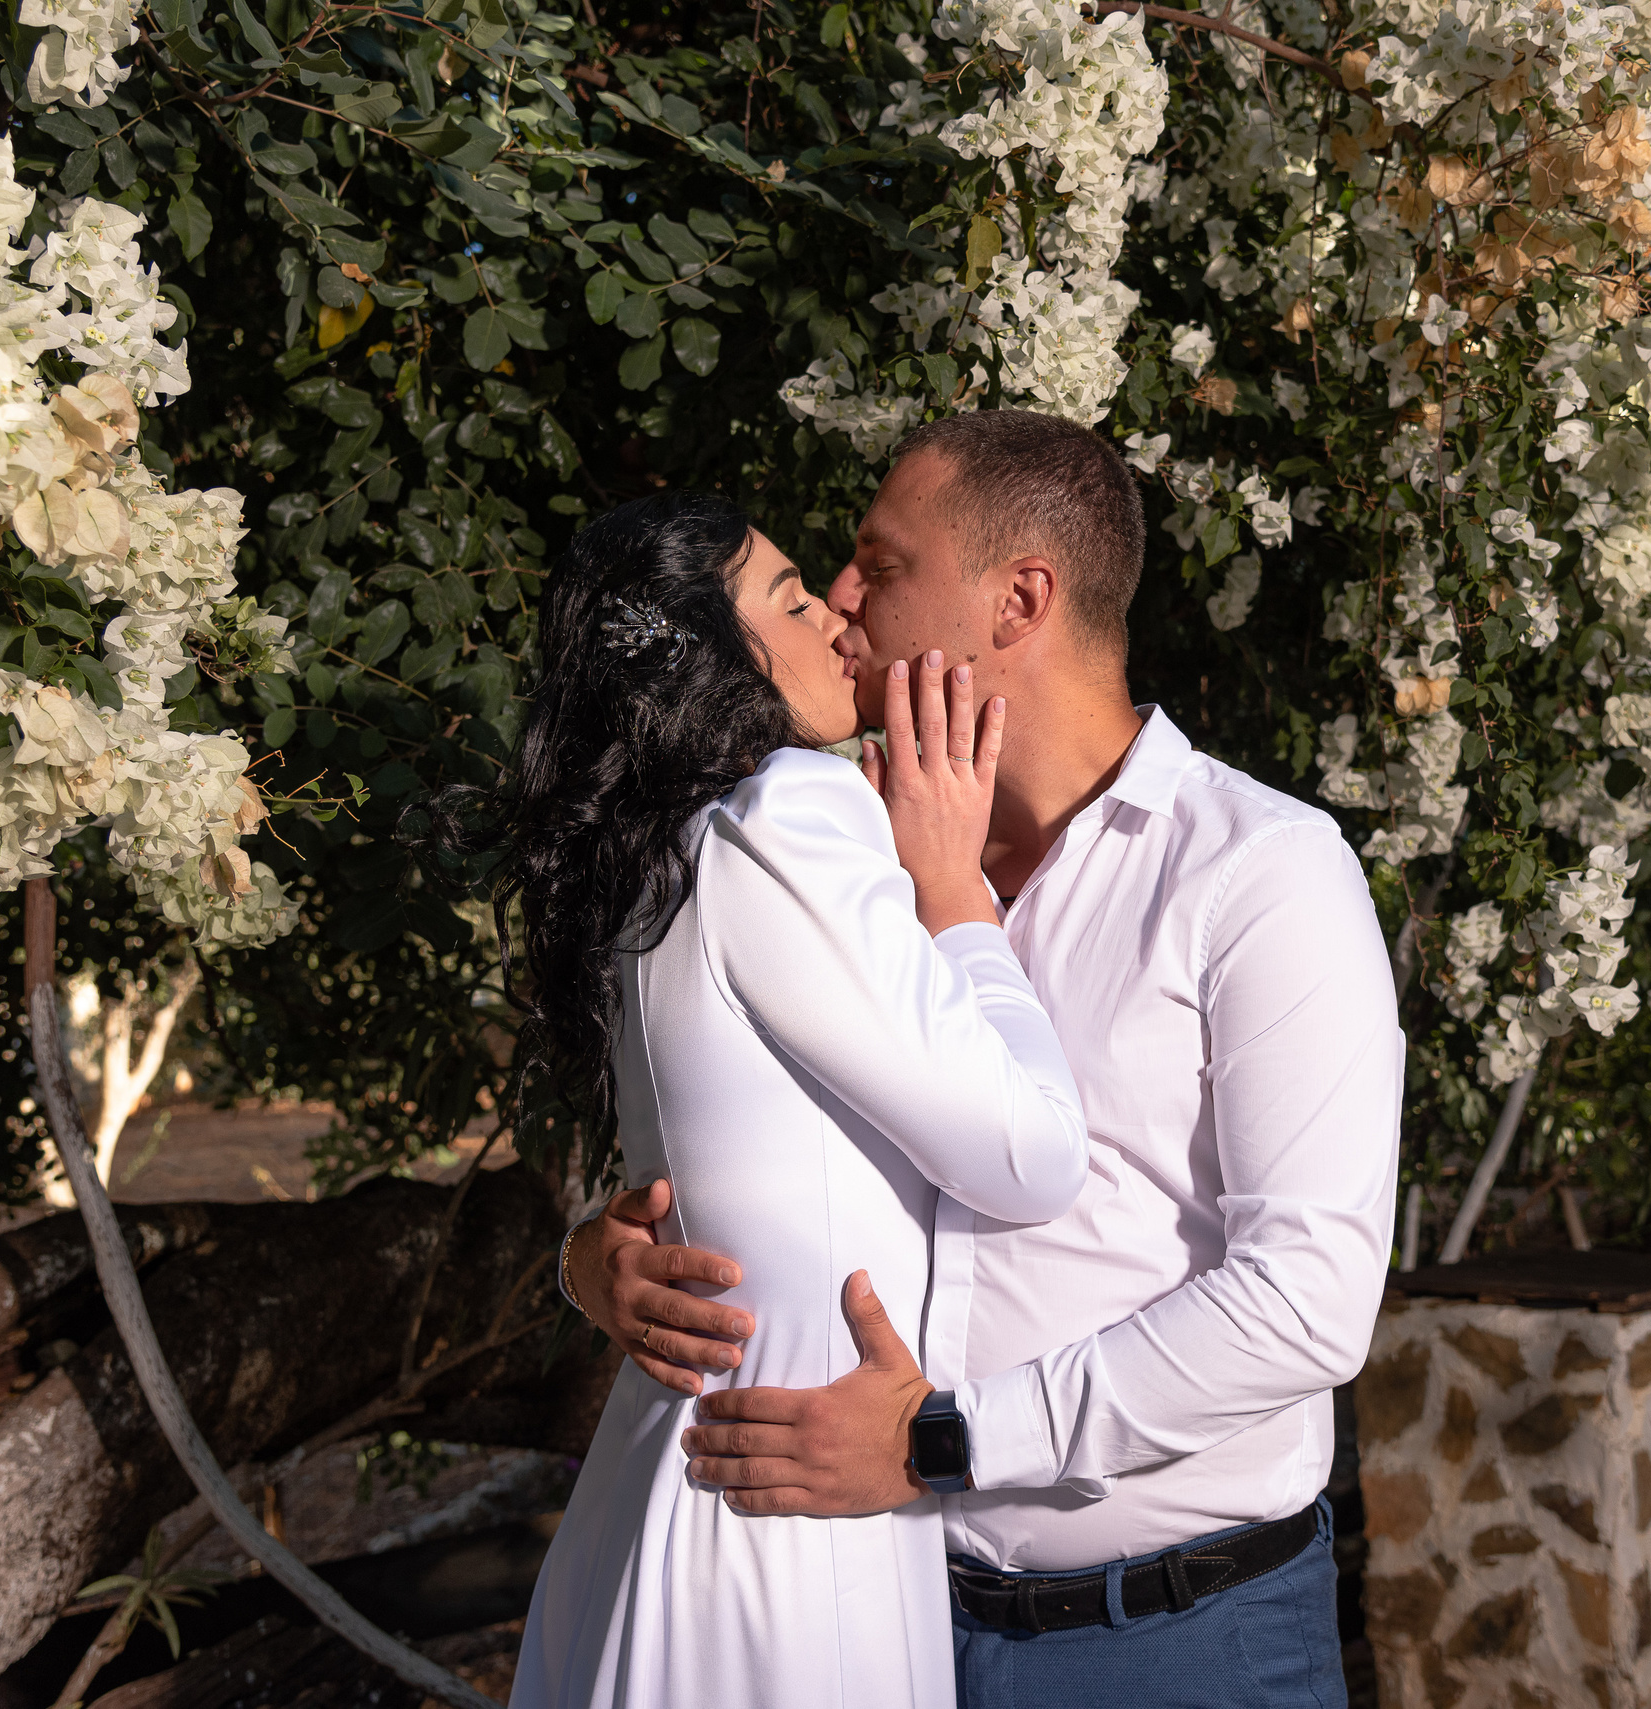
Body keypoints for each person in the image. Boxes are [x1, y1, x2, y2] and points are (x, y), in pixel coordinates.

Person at [559, 412, 1402, 1709]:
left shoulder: (1259, 871)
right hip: (885, 1619)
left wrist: (943, 1442)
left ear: (1019, 599)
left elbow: (1309, 1296)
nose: (844, 597)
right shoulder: (852, 866)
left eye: (879, 563)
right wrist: (601, 1253)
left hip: (1175, 1637)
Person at [484, 491, 1093, 1708]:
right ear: (718, 656)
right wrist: (955, 894)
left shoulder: (663, 844)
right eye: (794, 599)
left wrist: (582, 1259)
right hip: (784, 1511)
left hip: (690, 1473)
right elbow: (1032, 1155)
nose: (838, 623)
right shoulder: (786, 812)